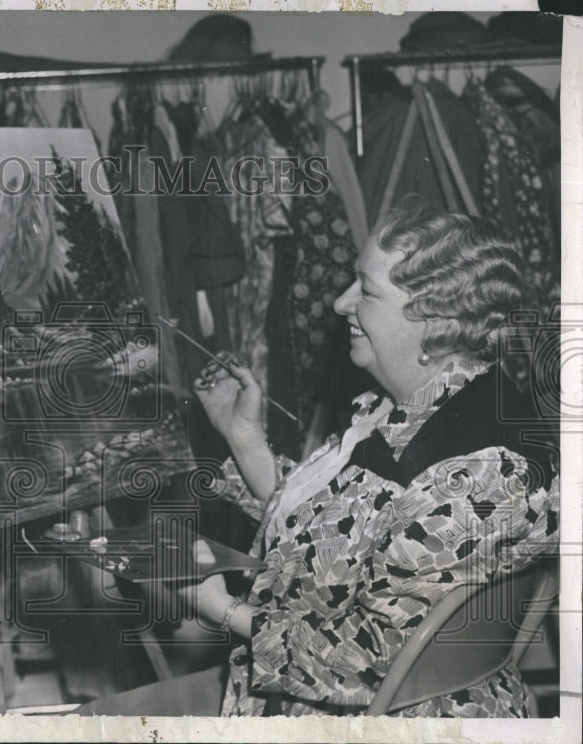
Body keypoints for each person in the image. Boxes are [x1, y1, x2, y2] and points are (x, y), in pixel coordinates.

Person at [184, 203, 559, 716]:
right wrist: (244, 436)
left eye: (366, 289)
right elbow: (345, 530)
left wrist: (220, 607)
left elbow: (367, 660)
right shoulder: (421, 404)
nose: (341, 303)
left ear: (434, 320)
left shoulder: (482, 477)